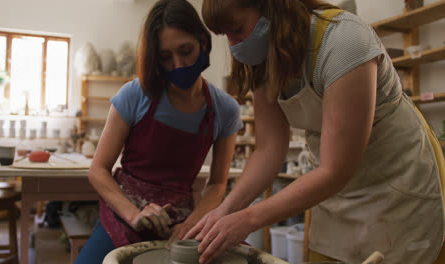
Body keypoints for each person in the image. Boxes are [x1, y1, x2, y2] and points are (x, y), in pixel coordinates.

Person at [185, 1, 445, 264]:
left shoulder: (343, 39)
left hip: (397, 183)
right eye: (225, 36)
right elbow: (269, 149)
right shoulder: (265, 59)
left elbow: (336, 169)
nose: (233, 46)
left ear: (272, 7)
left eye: (237, 29)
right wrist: (226, 210)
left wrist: (249, 218)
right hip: (335, 191)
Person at [74, 0, 243, 263]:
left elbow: (218, 184)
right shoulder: (135, 94)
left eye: (186, 51)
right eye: (165, 57)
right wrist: (133, 215)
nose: (178, 64)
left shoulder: (224, 109)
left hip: (182, 219)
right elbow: (98, 170)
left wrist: (194, 224)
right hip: (126, 213)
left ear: (204, 43)